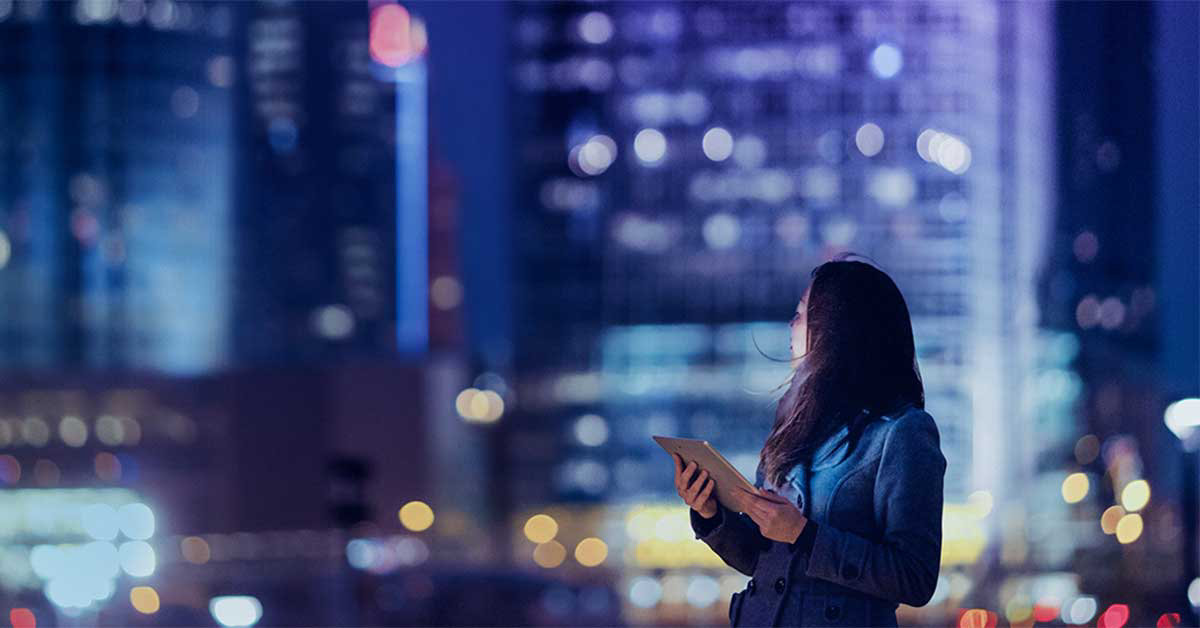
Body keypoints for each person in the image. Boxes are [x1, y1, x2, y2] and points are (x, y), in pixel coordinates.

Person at [672, 257, 947, 627]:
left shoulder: (902, 432)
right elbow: (761, 561)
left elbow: (915, 577)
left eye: (802, 314)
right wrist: (711, 514)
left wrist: (805, 535)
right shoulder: (793, 425)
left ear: (839, 327)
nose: (791, 324)